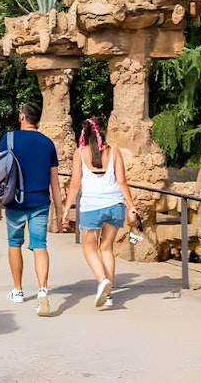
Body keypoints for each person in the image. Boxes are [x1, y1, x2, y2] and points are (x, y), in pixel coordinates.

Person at [60, 117, 138, 309]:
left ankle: (102, 280)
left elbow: (75, 184)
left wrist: (66, 208)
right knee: (106, 249)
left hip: (91, 207)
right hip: (115, 207)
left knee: (89, 248)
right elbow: (122, 182)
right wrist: (131, 206)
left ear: (84, 134)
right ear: (103, 133)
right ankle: (108, 295)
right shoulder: (115, 152)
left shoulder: (80, 153)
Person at [0, 101, 64, 317]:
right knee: (40, 246)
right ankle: (43, 291)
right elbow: (54, 182)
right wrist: (60, 210)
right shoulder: (47, 144)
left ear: (22, 117)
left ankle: (17, 290)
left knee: (14, 243)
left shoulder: (8, 139)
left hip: (14, 201)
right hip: (40, 203)